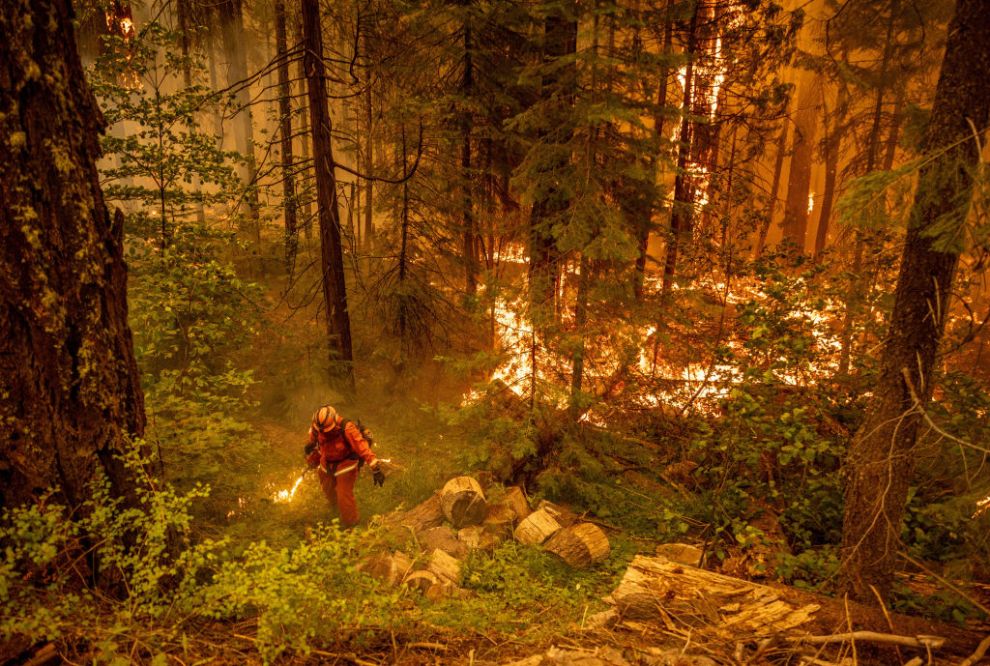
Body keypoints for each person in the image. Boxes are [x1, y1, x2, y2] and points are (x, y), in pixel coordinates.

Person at [304, 405, 384, 527]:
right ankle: (335, 509)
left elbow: (362, 447)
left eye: (326, 430)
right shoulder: (317, 428)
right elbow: (317, 445)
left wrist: (375, 468)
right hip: (326, 463)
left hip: (346, 464)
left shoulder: (347, 428)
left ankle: (351, 525)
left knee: (343, 496)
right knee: (328, 490)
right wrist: (311, 456)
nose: (324, 433)